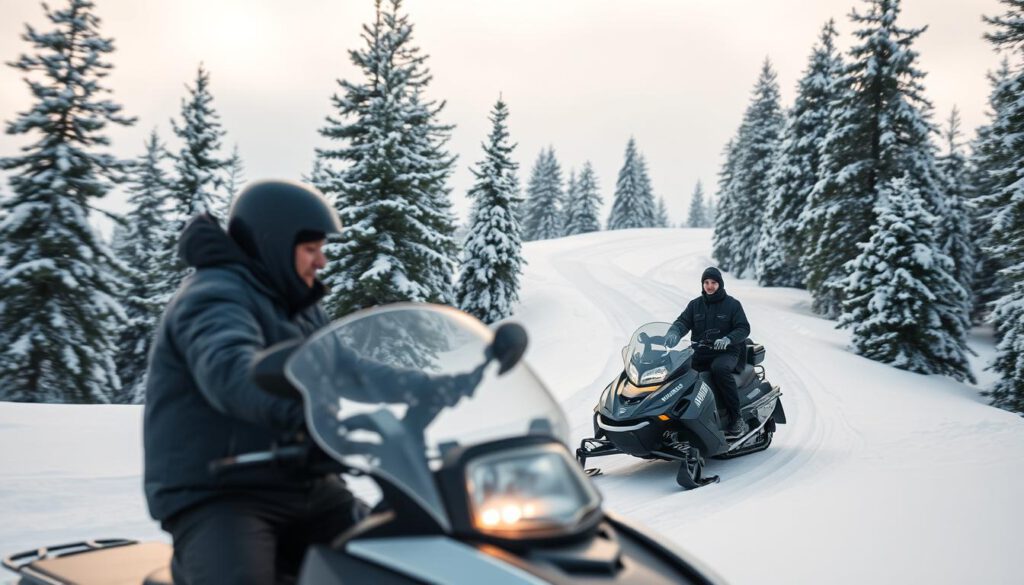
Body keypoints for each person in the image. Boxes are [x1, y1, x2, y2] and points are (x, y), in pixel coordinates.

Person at [143, 180, 362, 585]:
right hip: (221, 492)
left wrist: (432, 385)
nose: (322, 261)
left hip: (303, 484)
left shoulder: (299, 304)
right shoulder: (213, 297)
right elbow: (232, 372)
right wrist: (305, 416)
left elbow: (348, 369)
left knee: (393, 555)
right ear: (274, 243)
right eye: (311, 249)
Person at [663, 267, 751, 438]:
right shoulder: (695, 305)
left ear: (720, 284)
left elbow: (743, 328)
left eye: (713, 283)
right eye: (706, 282)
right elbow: (683, 322)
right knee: (677, 370)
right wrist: (674, 333)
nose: (710, 286)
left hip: (726, 352)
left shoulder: (732, 304)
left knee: (719, 369)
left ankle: (736, 417)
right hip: (701, 352)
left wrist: (728, 339)